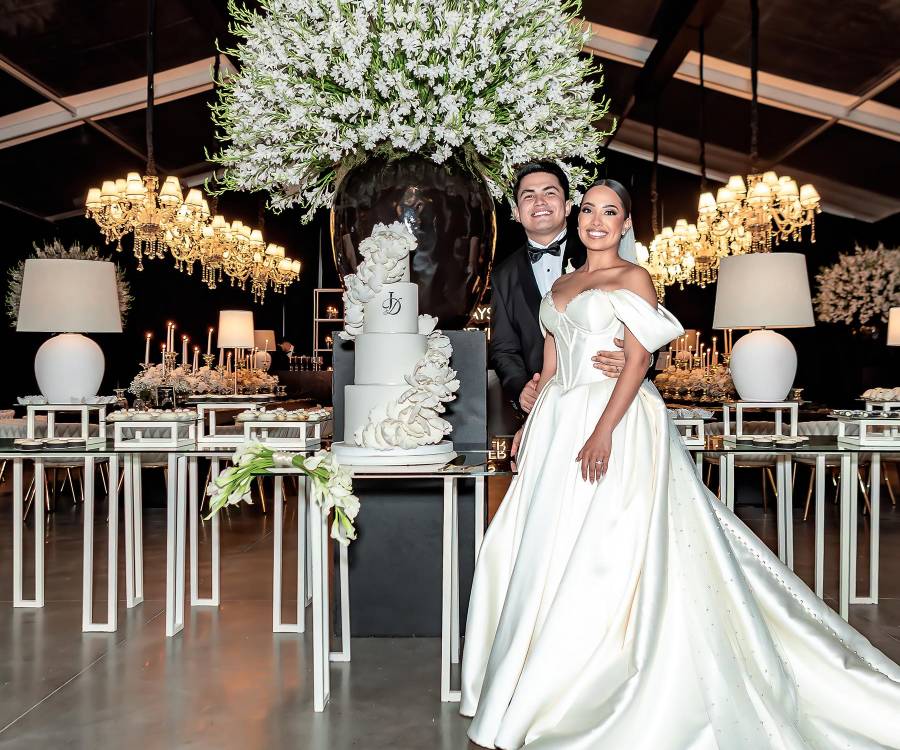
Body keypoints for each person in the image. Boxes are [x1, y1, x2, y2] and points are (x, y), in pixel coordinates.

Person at [460, 179, 900, 749]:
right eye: (589, 210)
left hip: (614, 420)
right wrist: (532, 426)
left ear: (624, 226)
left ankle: (600, 682)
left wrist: (601, 433)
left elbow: (639, 361)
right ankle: (537, 677)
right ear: (578, 217)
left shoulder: (633, 277)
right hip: (560, 417)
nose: (597, 220)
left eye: (609, 212)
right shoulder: (566, 284)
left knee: (610, 547)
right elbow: (550, 359)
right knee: (547, 544)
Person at [489, 162, 626, 419]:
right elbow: (503, 348)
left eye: (549, 192)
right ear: (517, 212)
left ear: (567, 206)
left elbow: (649, 321)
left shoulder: (601, 249)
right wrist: (522, 390)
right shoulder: (503, 274)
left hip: (604, 394)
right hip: (546, 406)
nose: (539, 201)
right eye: (528, 195)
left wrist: (636, 359)